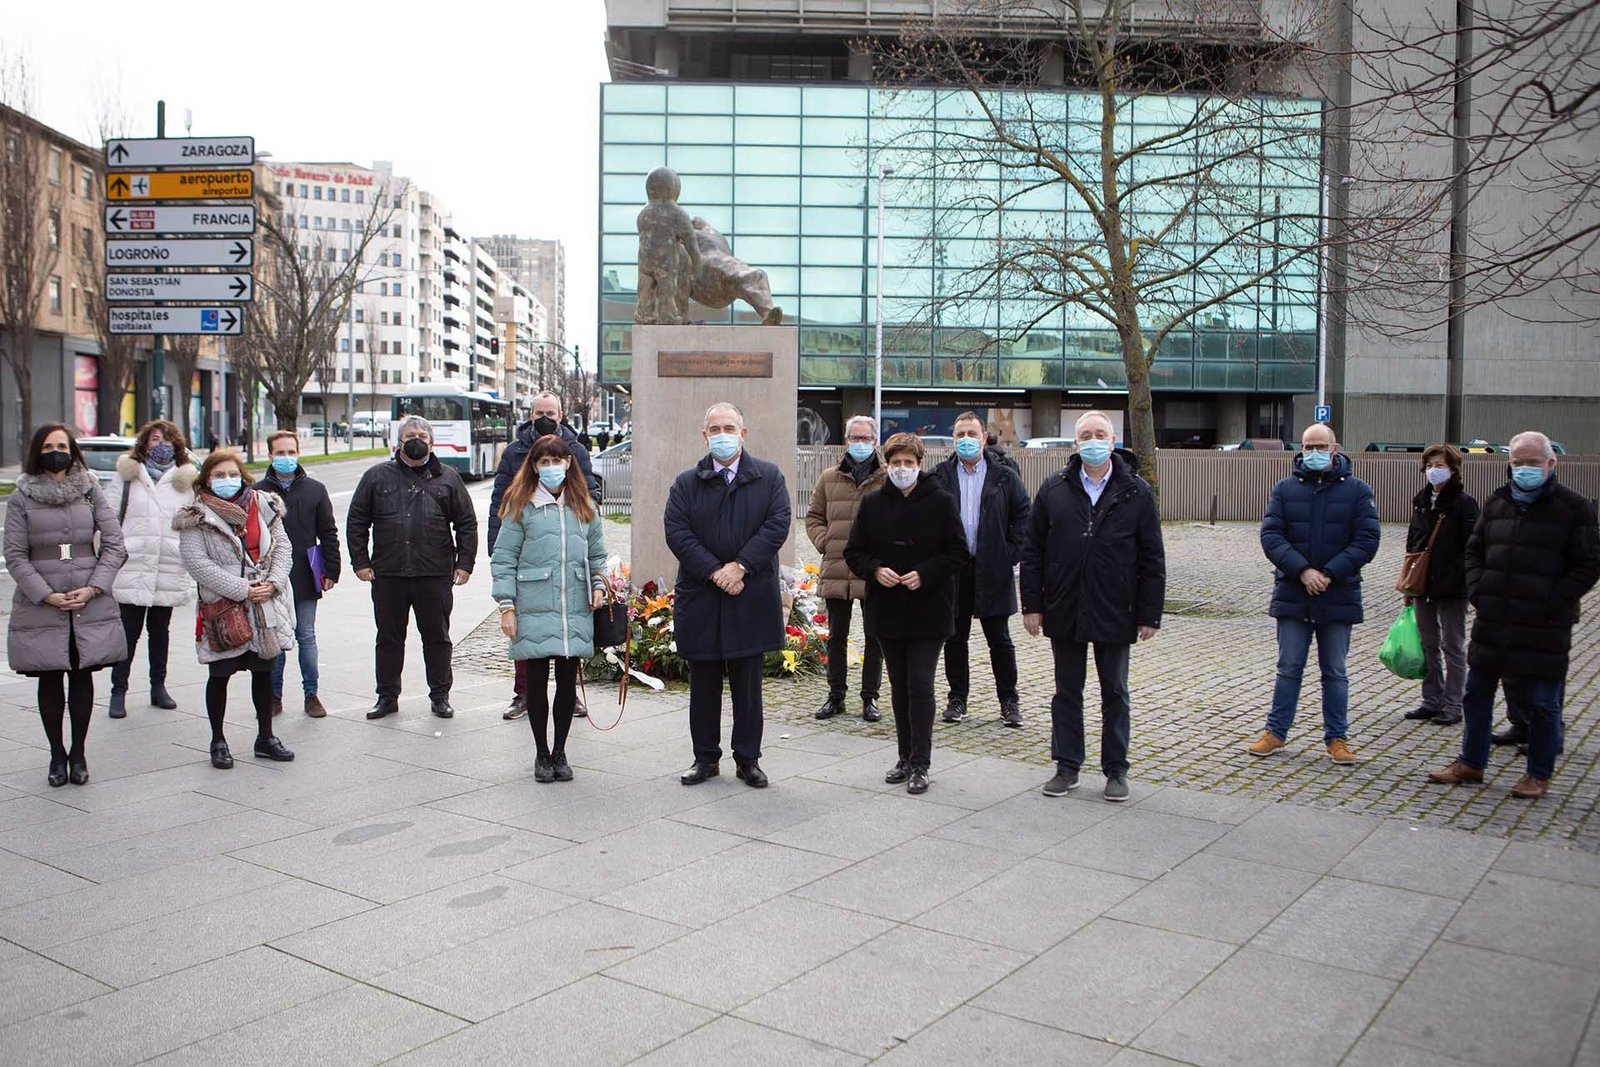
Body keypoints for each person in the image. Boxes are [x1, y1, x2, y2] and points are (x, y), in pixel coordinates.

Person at [1428, 431, 1600, 799]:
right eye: (1517, 462)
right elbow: (1474, 551)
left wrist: (1554, 601)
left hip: (1543, 625)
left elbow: (1587, 565)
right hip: (1494, 620)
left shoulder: (1575, 508)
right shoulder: (1497, 502)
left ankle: (1538, 773)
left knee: (1541, 702)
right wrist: (1479, 591)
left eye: (1532, 462)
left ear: (1550, 463)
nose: (1523, 469)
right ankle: (1471, 762)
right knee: (1476, 695)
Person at [1021, 411, 1165, 802]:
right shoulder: (1054, 489)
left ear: (1114, 440)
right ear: (1075, 443)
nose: (1093, 440)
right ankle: (1067, 766)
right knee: (1067, 691)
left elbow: (1152, 557)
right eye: (1086, 434)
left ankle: (1116, 770)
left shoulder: (1136, 491)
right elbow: (1032, 552)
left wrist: (1149, 613)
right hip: (1064, 606)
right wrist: (1032, 605)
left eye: (1100, 434)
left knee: (1115, 691)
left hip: (1116, 607)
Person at [665, 402, 790, 788]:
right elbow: (677, 531)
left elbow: (777, 523)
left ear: (743, 433)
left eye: (729, 427)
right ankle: (705, 758)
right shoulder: (687, 482)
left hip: (749, 593)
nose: (722, 435)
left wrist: (741, 566)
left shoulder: (768, 477)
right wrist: (716, 571)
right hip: (703, 595)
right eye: (714, 429)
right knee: (703, 684)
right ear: (704, 436)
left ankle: (748, 758)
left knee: (747, 686)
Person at [1248, 423, 1381, 764]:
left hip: (1339, 593)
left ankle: (1337, 738)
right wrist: (1303, 570)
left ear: (1335, 449)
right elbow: (1272, 536)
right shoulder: (1284, 489)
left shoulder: (1358, 491)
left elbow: (1367, 540)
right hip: (1294, 591)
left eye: (1320, 446)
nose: (1313, 453)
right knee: (1288, 666)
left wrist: (1329, 573)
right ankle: (1275, 732)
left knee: (1334, 671)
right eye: (1308, 446)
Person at [5, 425, 128, 787]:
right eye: (48, 446)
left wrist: (94, 588)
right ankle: (56, 754)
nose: (55, 451)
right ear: (36, 451)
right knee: (49, 678)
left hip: (87, 599)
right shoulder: (21, 497)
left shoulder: (90, 490)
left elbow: (115, 545)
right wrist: (44, 593)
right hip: (42, 602)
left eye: (61, 445)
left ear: (72, 450)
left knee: (81, 675)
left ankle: (78, 752)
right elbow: (14, 554)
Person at [845, 433, 967, 794]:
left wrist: (926, 573)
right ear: (887, 465)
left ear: (919, 465)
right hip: (888, 608)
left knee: (920, 683)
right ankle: (904, 756)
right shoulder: (871, 504)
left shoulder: (942, 502)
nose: (901, 469)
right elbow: (854, 552)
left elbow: (958, 552)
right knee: (898, 686)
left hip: (929, 609)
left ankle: (921, 762)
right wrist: (875, 569)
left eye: (908, 464)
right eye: (895, 463)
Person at [491, 435, 609, 783]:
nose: (552, 467)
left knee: (567, 684)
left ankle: (560, 752)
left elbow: (597, 555)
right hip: (533, 604)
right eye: (544, 462)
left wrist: (600, 585)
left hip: (574, 605)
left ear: (569, 463)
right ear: (534, 466)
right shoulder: (519, 504)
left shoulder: (583, 504)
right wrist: (506, 606)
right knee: (537, 682)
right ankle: (542, 754)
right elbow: (504, 558)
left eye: (557, 461)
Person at [347, 415, 477, 721]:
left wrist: (465, 563)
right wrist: (360, 562)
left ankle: (440, 695)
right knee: (389, 638)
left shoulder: (448, 477)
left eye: (422, 435)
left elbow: (466, 523)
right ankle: (387, 696)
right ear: (398, 441)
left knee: (438, 637)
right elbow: (357, 521)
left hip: (434, 573)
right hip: (388, 573)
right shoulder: (377, 477)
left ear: (432, 443)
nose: (416, 439)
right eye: (410, 435)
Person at [175, 451, 298, 770]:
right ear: (206, 480)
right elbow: (197, 563)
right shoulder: (195, 514)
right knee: (220, 674)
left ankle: (266, 738)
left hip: (265, 604)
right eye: (218, 475)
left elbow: (283, 546)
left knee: (263, 671)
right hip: (224, 608)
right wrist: (243, 589)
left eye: (232, 474)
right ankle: (218, 740)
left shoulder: (264, 505)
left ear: (242, 476)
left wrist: (273, 583)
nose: (226, 480)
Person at [489, 391, 597, 720]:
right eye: (539, 412)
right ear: (530, 415)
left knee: (570, 629)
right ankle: (523, 693)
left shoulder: (576, 450)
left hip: (568, 556)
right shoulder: (515, 451)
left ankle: (572, 694)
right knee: (528, 629)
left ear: (561, 414)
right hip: (528, 552)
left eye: (550, 412)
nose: (545, 417)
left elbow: (588, 488)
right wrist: (499, 548)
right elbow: (500, 500)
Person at [929, 412, 1030, 727]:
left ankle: (1009, 702)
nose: (966, 440)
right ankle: (957, 699)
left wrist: (1010, 553)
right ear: (953, 439)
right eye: (960, 435)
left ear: (984, 437)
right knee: (954, 638)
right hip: (954, 570)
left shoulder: (1004, 475)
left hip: (993, 568)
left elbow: (1023, 515)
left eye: (972, 433)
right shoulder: (939, 475)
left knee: (999, 640)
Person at [107, 420, 197, 717]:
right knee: (127, 633)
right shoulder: (127, 478)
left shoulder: (186, 483)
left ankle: (158, 686)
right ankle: (118, 690)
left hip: (168, 566)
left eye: (169, 439)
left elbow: (195, 524)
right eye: (156, 439)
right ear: (144, 444)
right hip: (133, 566)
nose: (162, 445)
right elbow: (107, 521)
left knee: (160, 631)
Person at [805, 414, 887, 723]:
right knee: (836, 636)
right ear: (846, 439)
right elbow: (813, 517)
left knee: (874, 636)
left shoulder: (886, 478)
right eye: (855, 438)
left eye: (866, 438)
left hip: (872, 569)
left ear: (875, 441)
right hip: (837, 566)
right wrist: (826, 542)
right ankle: (835, 696)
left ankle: (870, 698)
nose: (861, 443)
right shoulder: (829, 478)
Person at [257, 430, 342, 719]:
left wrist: (331, 569)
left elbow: (328, 532)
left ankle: (311, 694)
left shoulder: (315, 489)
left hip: (307, 570)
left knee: (306, 635)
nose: (286, 458)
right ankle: (274, 696)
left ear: (298, 454)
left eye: (290, 453)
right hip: (271, 576)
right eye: (280, 453)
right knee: (277, 637)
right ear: (269, 456)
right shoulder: (258, 492)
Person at [1401, 444, 1479, 727]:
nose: (1434, 470)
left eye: (1440, 465)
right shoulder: (1421, 500)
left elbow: (1473, 546)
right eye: (1430, 464)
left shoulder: (1464, 503)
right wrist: (1409, 584)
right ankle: (1431, 699)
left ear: (1453, 469)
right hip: (1422, 584)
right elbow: (1413, 543)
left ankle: (1453, 703)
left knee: (1453, 645)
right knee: (1428, 643)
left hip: (1453, 585)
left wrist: (1465, 580)